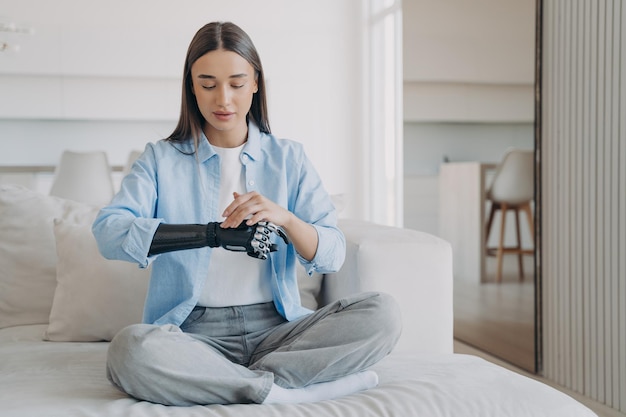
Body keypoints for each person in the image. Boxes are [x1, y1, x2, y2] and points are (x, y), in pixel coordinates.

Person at [92, 21, 401, 406]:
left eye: (237, 84)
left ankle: (244, 384)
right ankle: (280, 390)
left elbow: (333, 253)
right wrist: (212, 234)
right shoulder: (160, 158)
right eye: (208, 84)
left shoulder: (289, 158)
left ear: (256, 82)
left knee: (382, 313)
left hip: (279, 331)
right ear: (191, 86)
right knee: (130, 351)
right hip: (192, 335)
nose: (223, 99)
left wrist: (284, 219)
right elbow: (109, 231)